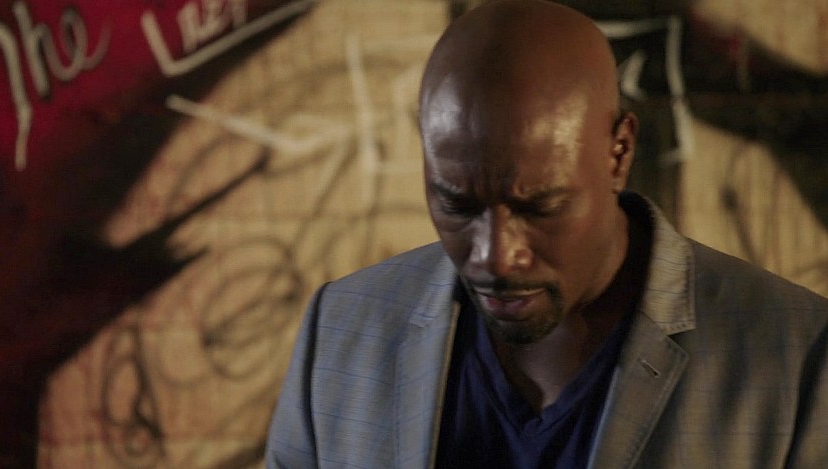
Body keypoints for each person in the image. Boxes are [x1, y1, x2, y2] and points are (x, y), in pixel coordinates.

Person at [265, 1, 828, 467]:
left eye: (540, 207)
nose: (495, 257)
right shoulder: (340, 333)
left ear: (619, 153)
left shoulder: (796, 358)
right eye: (456, 205)